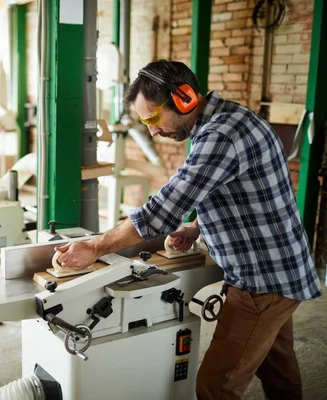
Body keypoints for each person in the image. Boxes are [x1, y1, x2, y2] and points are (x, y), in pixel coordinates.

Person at [55, 60, 321, 399]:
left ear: (184, 98)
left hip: (261, 282)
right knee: (277, 367)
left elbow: (161, 211)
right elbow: (240, 193)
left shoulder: (220, 136)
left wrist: (95, 247)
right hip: (284, 270)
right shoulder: (232, 118)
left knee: (216, 386)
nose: (152, 131)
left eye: (153, 119)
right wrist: (198, 226)